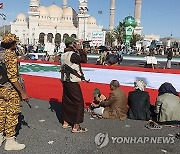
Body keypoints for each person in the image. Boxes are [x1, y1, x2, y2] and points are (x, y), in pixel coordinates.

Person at [0, 33, 29, 151]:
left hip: (1, 88)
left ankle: (0, 136)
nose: (16, 44)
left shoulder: (1, 54)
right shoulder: (11, 55)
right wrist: (22, 92)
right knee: (12, 113)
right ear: (12, 44)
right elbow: (13, 77)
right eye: (15, 43)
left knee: (1, 112)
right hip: (10, 90)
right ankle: (10, 141)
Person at [60, 37, 88, 133]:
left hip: (65, 81)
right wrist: (80, 49)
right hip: (72, 81)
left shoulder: (63, 55)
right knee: (78, 102)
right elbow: (84, 59)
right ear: (72, 44)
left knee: (67, 101)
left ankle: (65, 122)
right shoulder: (72, 55)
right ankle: (76, 126)